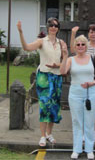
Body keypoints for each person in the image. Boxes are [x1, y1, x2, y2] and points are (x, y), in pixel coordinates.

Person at [16, 18, 64, 147]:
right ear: (47, 27)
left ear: (58, 28)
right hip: (44, 77)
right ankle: (42, 136)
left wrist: (57, 65)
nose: (53, 27)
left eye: (56, 25)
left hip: (57, 77)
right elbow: (26, 48)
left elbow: (66, 61)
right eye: (51, 25)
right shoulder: (41, 41)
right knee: (44, 106)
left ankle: (49, 133)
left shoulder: (61, 43)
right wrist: (21, 32)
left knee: (54, 107)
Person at [60, 34, 95, 159]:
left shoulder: (92, 58)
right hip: (75, 93)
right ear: (75, 46)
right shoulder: (70, 59)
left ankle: (89, 149)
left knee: (90, 122)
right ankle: (77, 148)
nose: (80, 46)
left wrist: (94, 82)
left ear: (86, 46)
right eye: (78, 44)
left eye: (83, 44)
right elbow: (63, 72)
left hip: (91, 92)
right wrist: (64, 56)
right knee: (77, 121)